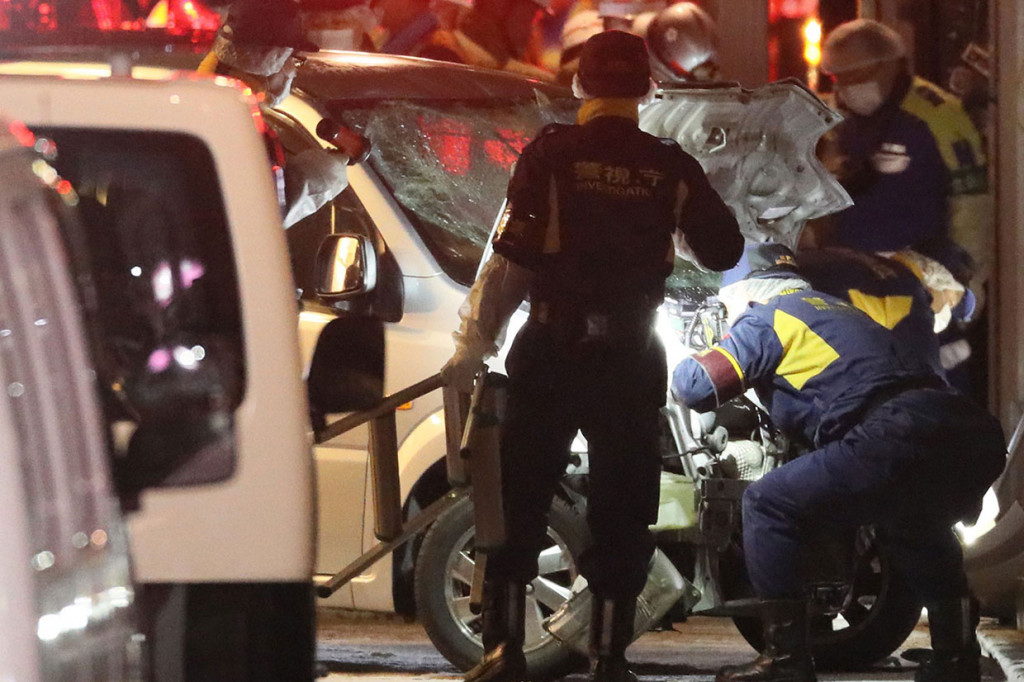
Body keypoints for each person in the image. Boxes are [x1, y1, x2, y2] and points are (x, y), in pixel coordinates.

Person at [441, 30, 743, 682]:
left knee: (517, 497)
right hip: (631, 358)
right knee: (624, 505)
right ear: (647, 90)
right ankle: (609, 659)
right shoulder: (669, 165)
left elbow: (509, 264)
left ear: (578, 86)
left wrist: (473, 347)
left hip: (548, 350)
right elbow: (722, 250)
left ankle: (502, 653)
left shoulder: (552, 155)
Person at [672, 244, 1006, 682]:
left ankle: (786, 663)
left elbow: (694, 386)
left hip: (893, 432)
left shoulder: (770, 315)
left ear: (747, 295)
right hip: (969, 433)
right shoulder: (841, 311)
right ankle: (956, 660)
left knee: (768, 504)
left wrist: (697, 352)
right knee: (914, 522)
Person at [815, 18, 992, 402]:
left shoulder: (938, 115)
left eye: (854, 75)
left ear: (888, 65)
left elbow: (972, 203)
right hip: (851, 289)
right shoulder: (834, 121)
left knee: (938, 393)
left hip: (926, 287)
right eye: (837, 78)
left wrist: (969, 280)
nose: (844, 87)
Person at [197, 0, 363, 228]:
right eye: (292, 60)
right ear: (267, 60)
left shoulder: (206, 104)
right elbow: (267, 209)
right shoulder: (235, 126)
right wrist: (329, 169)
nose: (292, 72)